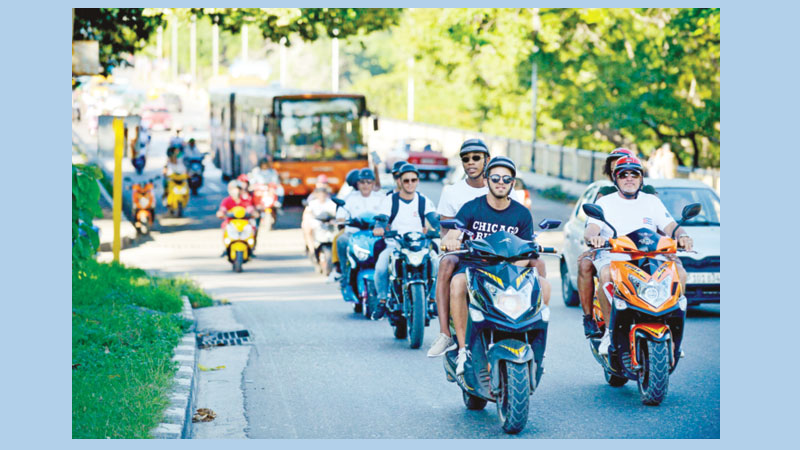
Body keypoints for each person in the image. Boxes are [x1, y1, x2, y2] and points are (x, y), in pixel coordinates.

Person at [440, 156, 548, 375]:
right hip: (475, 268)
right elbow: (453, 232)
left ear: (512, 183)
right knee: (458, 283)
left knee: (544, 284)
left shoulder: (521, 213)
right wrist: (451, 239)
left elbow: (528, 248)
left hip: (509, 270)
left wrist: (516, 265)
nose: (501, 182)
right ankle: (463, 350)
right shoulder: (471, 208)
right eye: (496, 177)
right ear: (487, 178)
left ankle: (536, 349)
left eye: (507, 179)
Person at [427, 139, 531, 357]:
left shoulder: (507, 196)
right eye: (466, 159)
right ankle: (447, 334)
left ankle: (531, 337)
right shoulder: (457, 195)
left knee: (538, 267)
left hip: (504, 258)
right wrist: (452, 241)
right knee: (447, 264)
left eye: (476, 157)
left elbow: (521, 237)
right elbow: (448, 231)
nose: (471, 162)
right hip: (467, 254)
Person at [583, 156, 693, 355]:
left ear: (641, 178)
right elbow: (591, 229)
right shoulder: (605, 202)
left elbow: (670, 226)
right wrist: (594, 238)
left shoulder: (652, 201)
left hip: (651, 255)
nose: (629, 178)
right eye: (623, 174)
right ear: (616, 179)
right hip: (614, 255)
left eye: (634, 174)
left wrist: (682, 235)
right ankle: (609, 331)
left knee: (680, 273)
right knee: (606, 275)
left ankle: (673, 333)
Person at [578, 148, 658, 338]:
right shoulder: (606, 194)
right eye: (618, 165)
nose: (627, 175)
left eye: (632, 171)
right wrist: (594, 242)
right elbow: (596, 224)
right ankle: (591, 318)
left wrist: (672, 241)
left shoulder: (648, 194)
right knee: (586, 263)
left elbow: (661, 223)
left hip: (644, 249)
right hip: (611, 248)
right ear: (612, 171)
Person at [371, 164, 438, 320]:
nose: (410, 183)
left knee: (438, 262)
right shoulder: (390, 200)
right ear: (399, 181)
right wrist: (379, 228)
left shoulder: (423, 201)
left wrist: (443, 229)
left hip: (419, 247)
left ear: (417, 181)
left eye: (413, 180)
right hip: (395, 246)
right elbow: (382, 219)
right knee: (381, 266)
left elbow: (434, 219)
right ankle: (382, 300)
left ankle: (433, 300)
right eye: (406, 180)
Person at [334, 168, 385, 285]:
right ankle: (344, 273)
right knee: (341, 240)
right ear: (358, 183)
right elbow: (340, 216)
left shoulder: (381, 198)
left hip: (375, 235)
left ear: (373, 183)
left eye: (368, 182)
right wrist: (343, 220)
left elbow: (389, 215)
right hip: (354, 234)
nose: (365, 185)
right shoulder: (349, 198)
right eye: (362, 182)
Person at [302, 176, 337, 255]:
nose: (322, 194)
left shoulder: (332, 199)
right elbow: (307, 212)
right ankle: (312, 251)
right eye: (321, 183)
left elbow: (336, 212)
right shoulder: (312, 200)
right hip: (316, 221)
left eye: (325, 183)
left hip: (330, 222)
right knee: (306, 226)